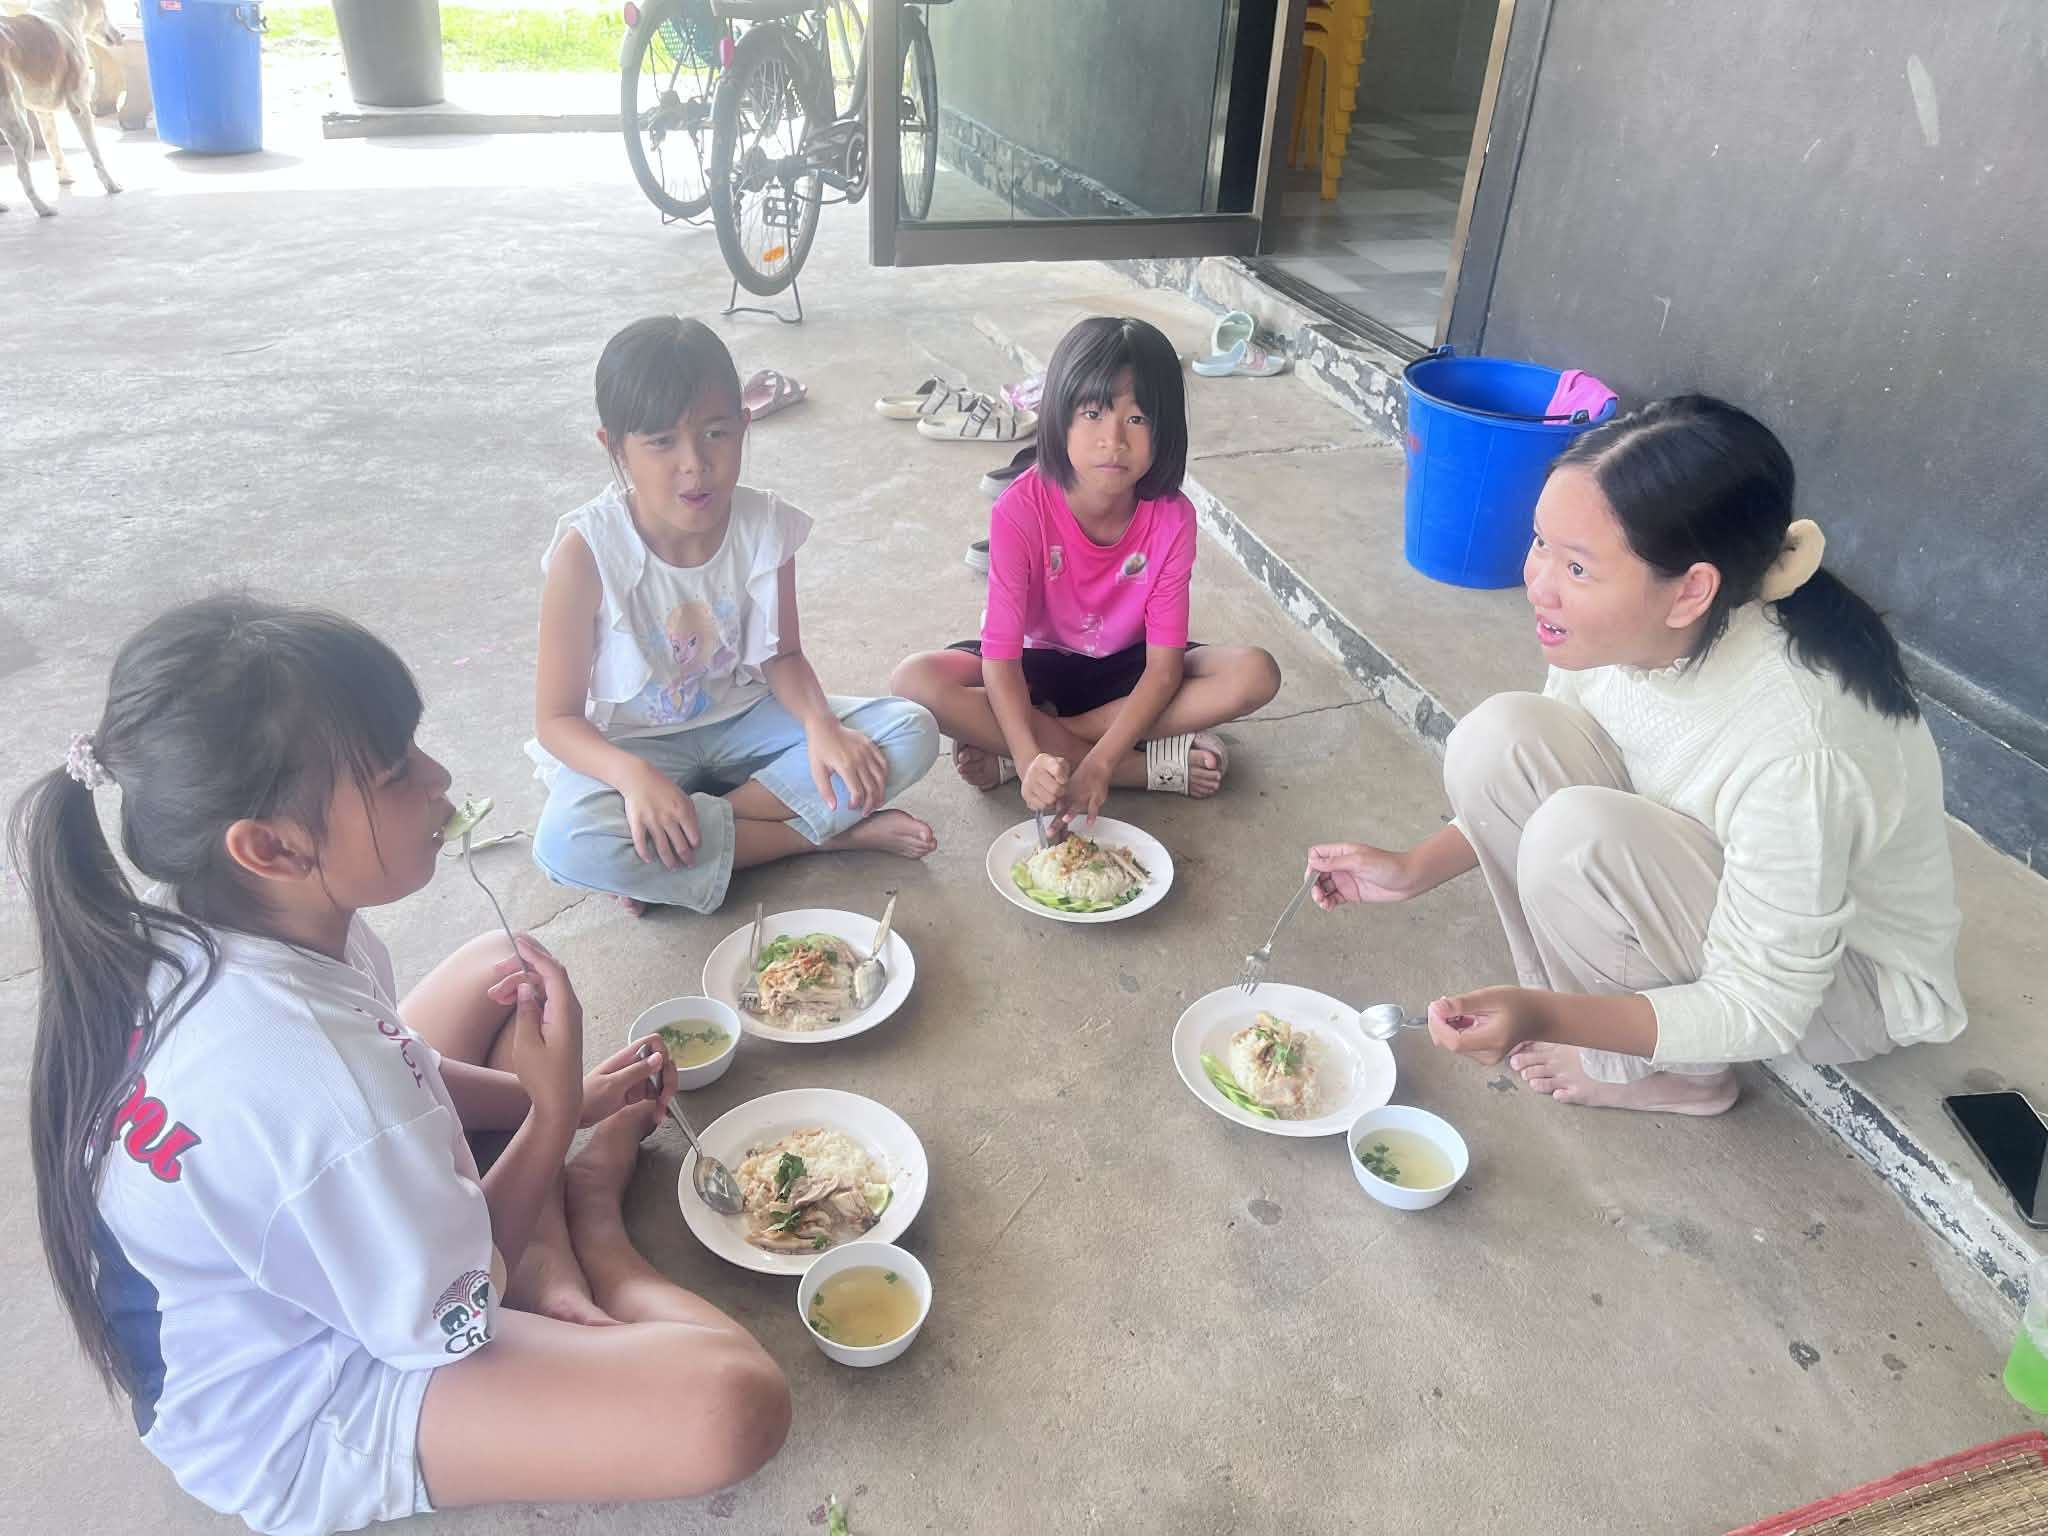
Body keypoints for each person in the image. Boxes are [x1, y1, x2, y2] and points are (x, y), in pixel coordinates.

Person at [14, 595, 790, 1536]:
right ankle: (590, 1223)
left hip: (306, 1236)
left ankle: (547, 1239)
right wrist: (551, 1124)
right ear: (270, 846)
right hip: (306, 1404)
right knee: (733, 1404)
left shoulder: (210, 932)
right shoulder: (318, 1088)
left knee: (495, 973)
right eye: (394, 772)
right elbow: (452, 1316)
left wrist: (572, 1095)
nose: (440, 777)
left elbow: (398, 1063)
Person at [1307, 396, 1965, 1114]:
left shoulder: (1799, 746)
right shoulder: (1634, 628)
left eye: (1579, 568)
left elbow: (1764, 1005)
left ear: (1691, 590)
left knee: (1576, 837)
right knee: (1500, 736)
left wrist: (1547, 1018)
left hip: (1846, 986)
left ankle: (1684, 1078)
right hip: (1698, 873)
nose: (1539, 583)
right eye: (1539, 543)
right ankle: (1599, 1020)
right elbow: (1532, 776)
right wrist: (1411, 870)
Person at [532, 315, 940, 915]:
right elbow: (556, 719)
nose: (695, 463)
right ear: (613, 446)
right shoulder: (587, 553)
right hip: (639, 745)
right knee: (568, 843)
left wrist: (822, 725)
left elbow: (784, 656)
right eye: (661, 442)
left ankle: (678, 841)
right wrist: (634, 780)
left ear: (746, 425)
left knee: (910, 732)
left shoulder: (765, 526)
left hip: (744, 720)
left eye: (716, 433)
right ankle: (820, 837)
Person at [891, 315, 1281, 829]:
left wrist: (1067, 752)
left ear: (1166, 430)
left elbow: (1163, 670)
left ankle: (1050, 750)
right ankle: (1136, 770)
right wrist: (1043, 760)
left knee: (1255, 673)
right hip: (1039, 665)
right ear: (1059, 417)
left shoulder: (1171, 517)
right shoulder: (1020, 509)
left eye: (1138, 419)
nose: (1113, 440)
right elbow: (1002, 663)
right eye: (1093, 412)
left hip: (1130, 672)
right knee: (913, 681)